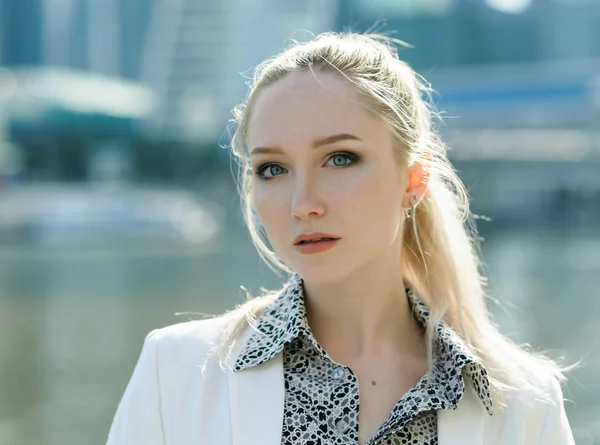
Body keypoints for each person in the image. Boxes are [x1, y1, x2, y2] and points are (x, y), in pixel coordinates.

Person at [106, 32, 574, 445]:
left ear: (413, 178)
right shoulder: (174, 372)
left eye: (340, 158)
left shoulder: (525, 404)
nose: (302, 203)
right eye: (273, 169)